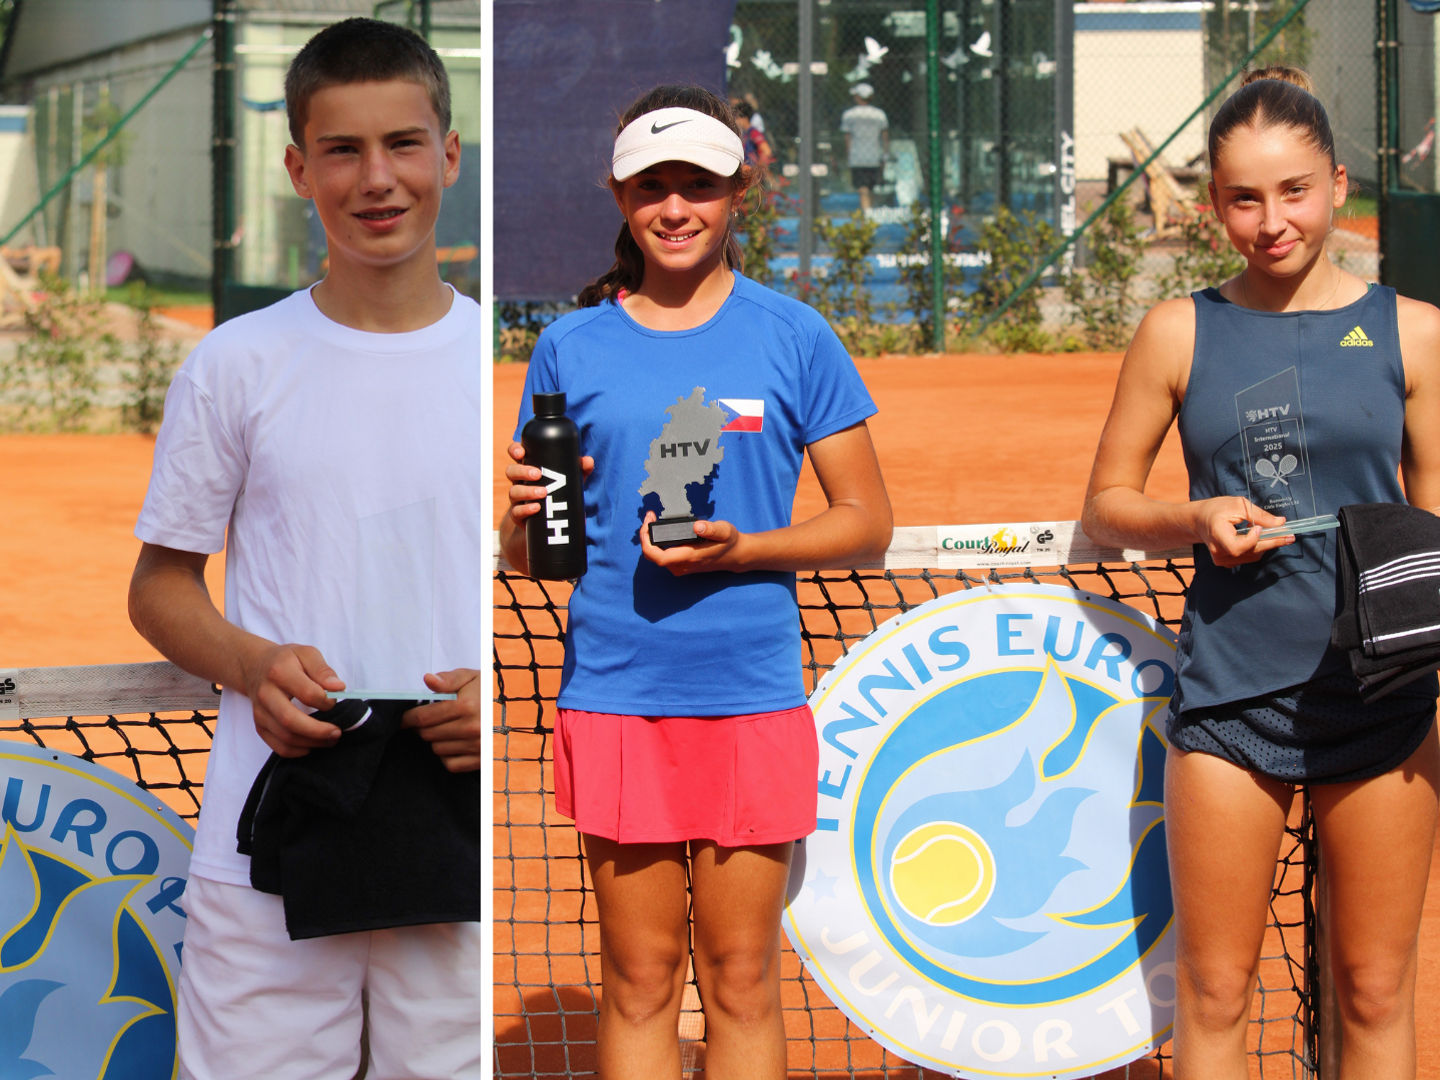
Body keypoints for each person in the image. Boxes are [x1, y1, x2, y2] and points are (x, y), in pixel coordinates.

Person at [500, 83, 892, 1079]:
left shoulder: (794, 335)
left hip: (751, 698)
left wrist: (745, 550)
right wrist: (517, 517)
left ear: (738, 191)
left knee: (741, 981)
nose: (676, 208)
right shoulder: (569, 346)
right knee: (638, 981)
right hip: (619, 698)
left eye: (699, 186)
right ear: (619, 195)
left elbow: (865, 525)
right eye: (652, 186)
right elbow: (535, 559)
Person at [128, 17, 484, 1079]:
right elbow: (160, 588)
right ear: (298, 167)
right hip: (273, 823)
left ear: (448, 155)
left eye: (404, 144)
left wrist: (502, 689)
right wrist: (253, 666)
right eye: (342, 150)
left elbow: (566, 588)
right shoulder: (236, 364)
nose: (377, 179)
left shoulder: (513, 367)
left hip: (456, 820)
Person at [1082, 66, 1440, 1079]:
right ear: (1215, 205)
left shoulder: (1414, 330)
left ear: (1336, 184)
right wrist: (1193, 517)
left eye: (1293, 192)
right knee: (1216, 990)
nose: (1270, 221)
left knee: (1373, 988)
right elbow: (1108, 504)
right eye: (1244, 197)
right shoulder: (1177, 331)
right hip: (1232, 690)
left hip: (1387, 695)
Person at [840, 82, 889, 212]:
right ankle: (869, 213)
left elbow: (847, 138)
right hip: (874, 155)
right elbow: (884, 137)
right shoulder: (880, 115)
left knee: (863, 188)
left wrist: (848, 155)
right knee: (870, 188)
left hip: (857, 156)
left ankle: (867, 214)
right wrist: (885, 154)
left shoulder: (849, 115)